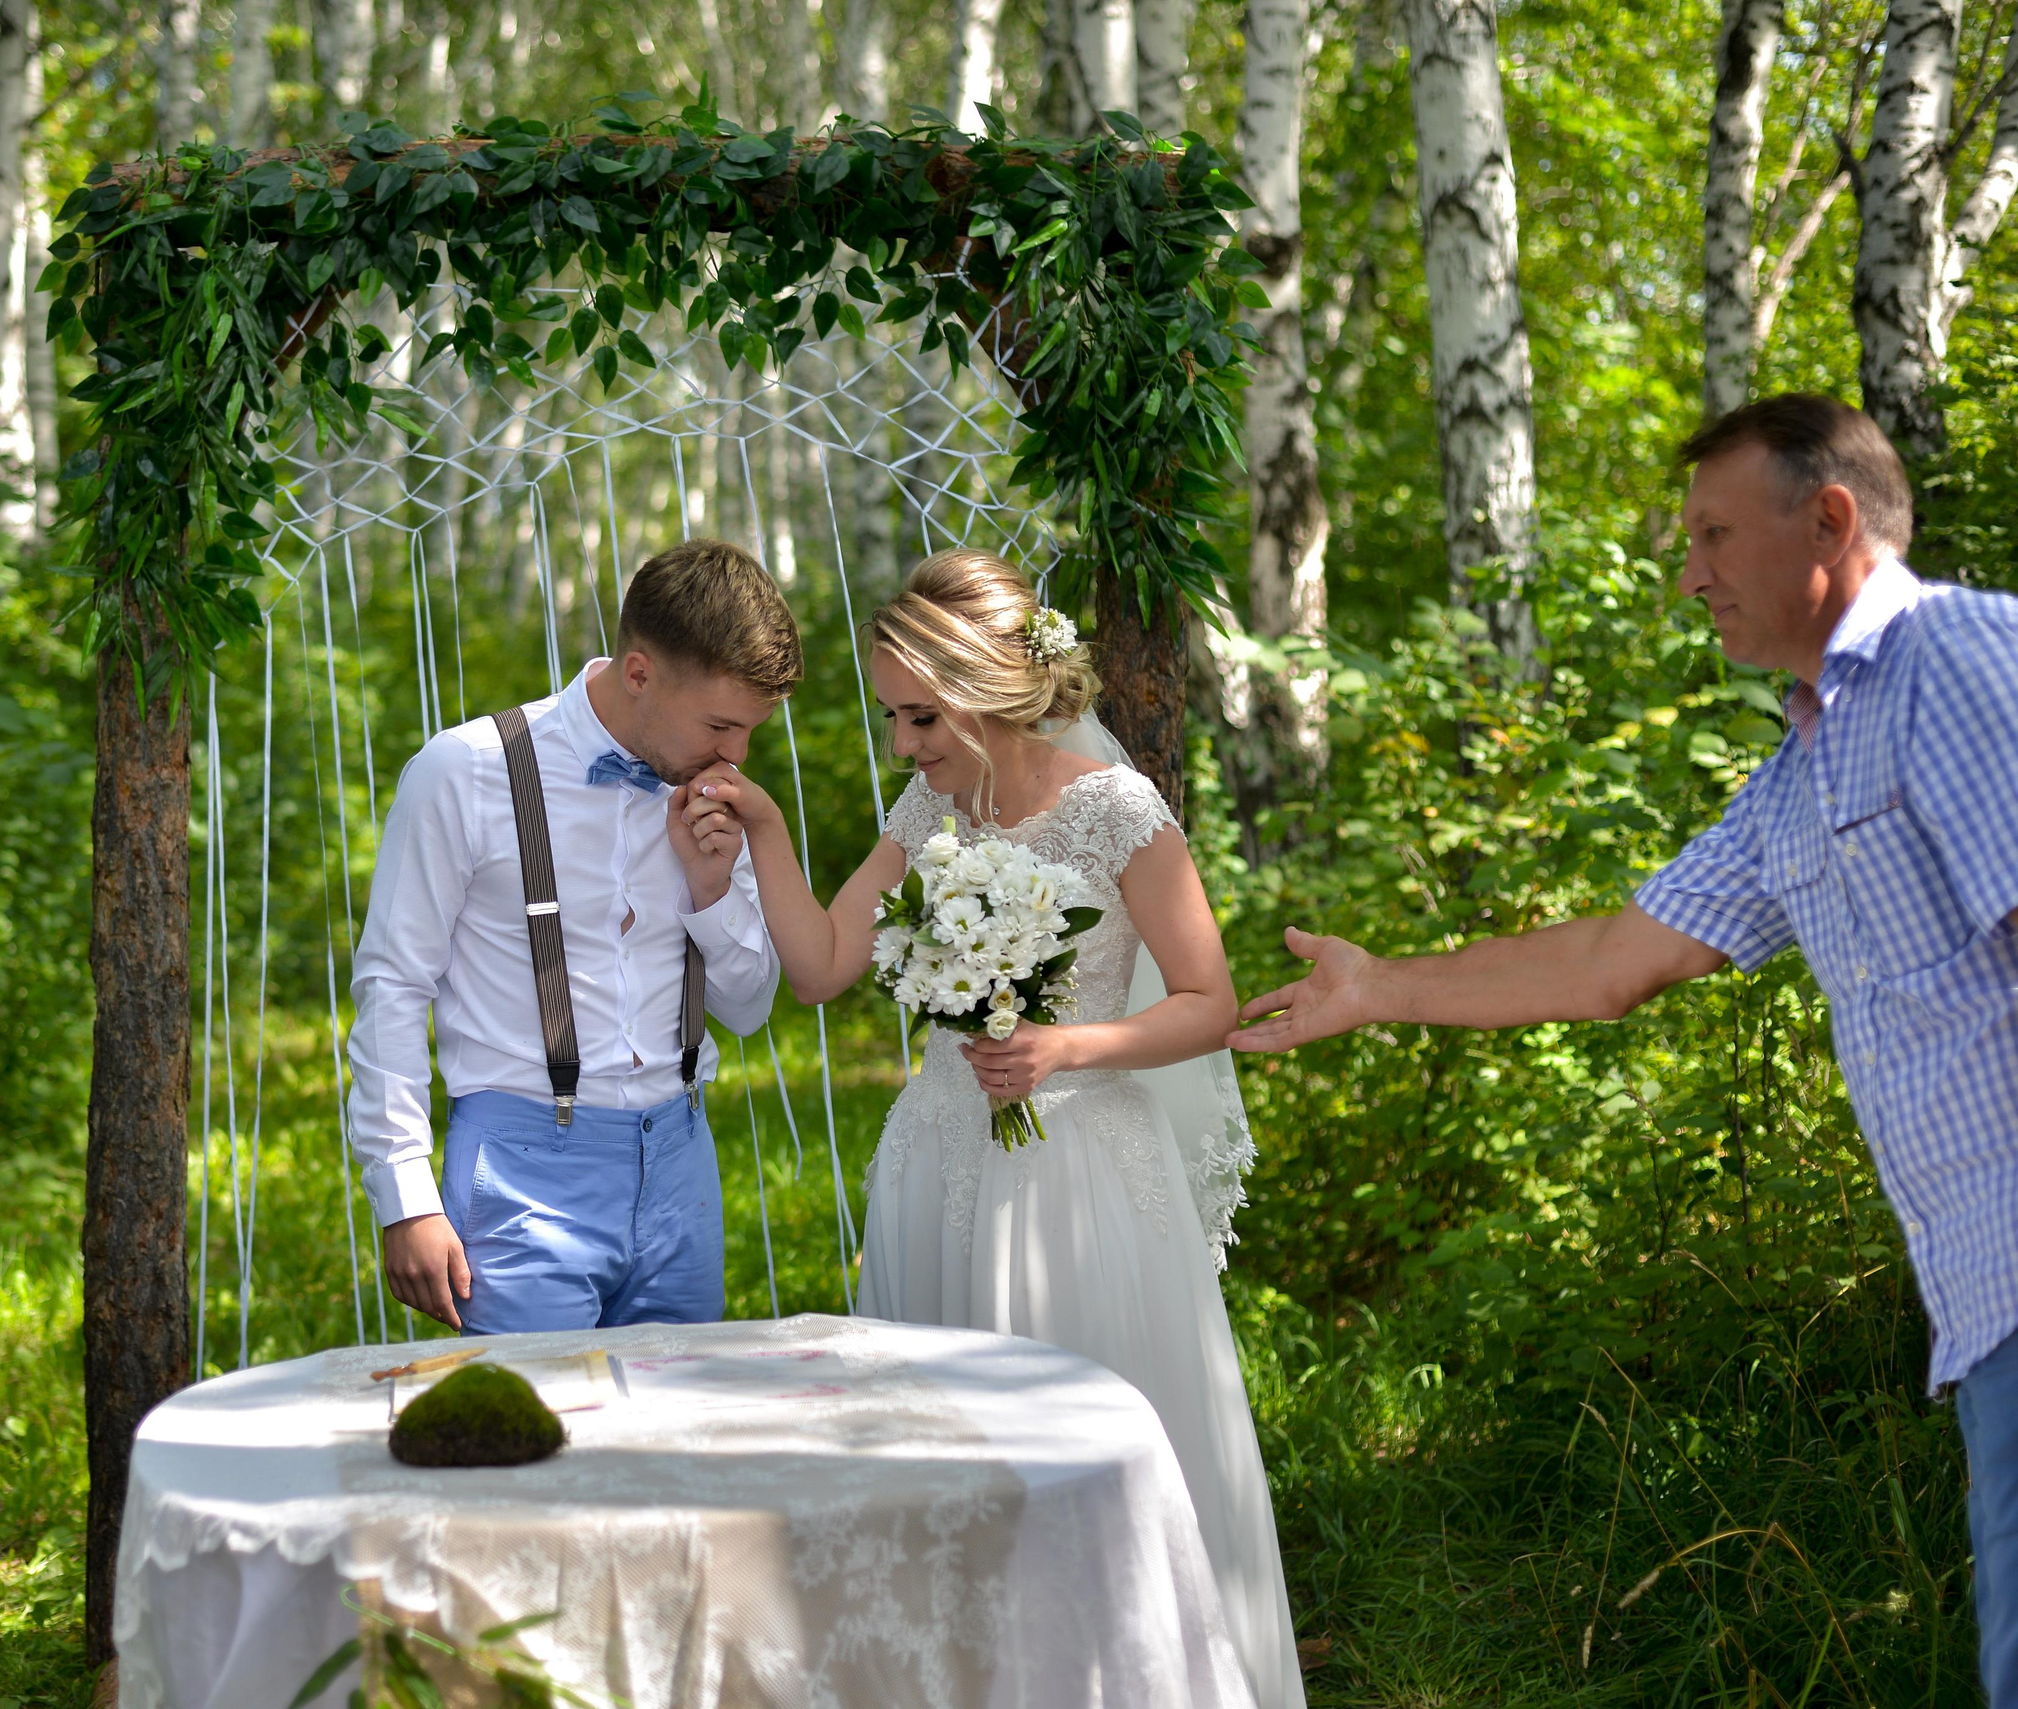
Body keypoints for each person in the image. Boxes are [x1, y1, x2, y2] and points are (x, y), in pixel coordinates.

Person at [1227, 393, 2018, 1702]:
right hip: (1988, 1313)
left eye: (1713, 533)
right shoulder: (1798, 778)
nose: (1691, 571)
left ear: (1829, 521)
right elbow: (1611, 961)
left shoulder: (1960, 661)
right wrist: (1382, 985)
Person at [689, 548, 1309, 1709]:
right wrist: (766, 831)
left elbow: (1207, 1002)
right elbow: (822, 964)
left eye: (921, 714)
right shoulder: (925, 805)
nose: (905, 743)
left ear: (990, 683)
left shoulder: (1115, 810)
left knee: (1074, 1479)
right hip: (937, 1155)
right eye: (891, 716)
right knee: (935, 1482)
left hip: (1077, 1175)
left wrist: (1064, 1048)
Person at [351, 538, 795, 1334]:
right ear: (638, 674)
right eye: (722, 724)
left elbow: (750, 1007)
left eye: (752, 730)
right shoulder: (463, 772)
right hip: (520, 1167)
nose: (737, 756)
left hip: (682, 1164)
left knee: (680, 1436)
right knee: (540, 1442)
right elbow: (392, 984)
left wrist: (712, 890)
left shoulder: (717, 804)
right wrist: (404, 1195)